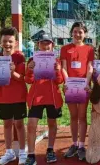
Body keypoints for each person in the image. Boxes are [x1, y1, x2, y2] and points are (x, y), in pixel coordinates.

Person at [0, 27, 28, 165]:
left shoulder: (20, 57)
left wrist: (13, 71)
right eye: (5, 41)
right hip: (3, 97)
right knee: (7, 124)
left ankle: (22, 152)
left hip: (19, 96)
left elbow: (22, 78)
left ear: (15, 42)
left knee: (19, 124)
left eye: (10, 41)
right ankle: (9, 152)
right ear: (0, 41)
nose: (7, 44)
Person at [24, 33, 64, 165]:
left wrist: (58, 70)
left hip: (52, 98)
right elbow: (28, 80)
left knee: (52, 124)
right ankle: (31, 154)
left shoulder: (56, 61)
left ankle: (50, 150)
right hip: (36, 98)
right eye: (43, 43)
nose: (45, 45)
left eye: (48, 43)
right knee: (31, 125)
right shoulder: (32, 60)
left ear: (52, 45)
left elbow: (59, 81)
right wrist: (30, 70)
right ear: (38, 45)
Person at [60, 21, 94, 161]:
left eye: (80, 32)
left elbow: (90, 67)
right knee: (73, 116)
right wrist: (67, 81)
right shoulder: (65, 48)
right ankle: (74, 144)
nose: (78, 34)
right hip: (70, 86)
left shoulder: (89, 49)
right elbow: (63, 67)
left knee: (82, 116)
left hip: (84, 85)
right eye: (75, 31)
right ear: (71, 33)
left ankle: (81, 145)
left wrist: (87, 82)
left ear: (85, 34)